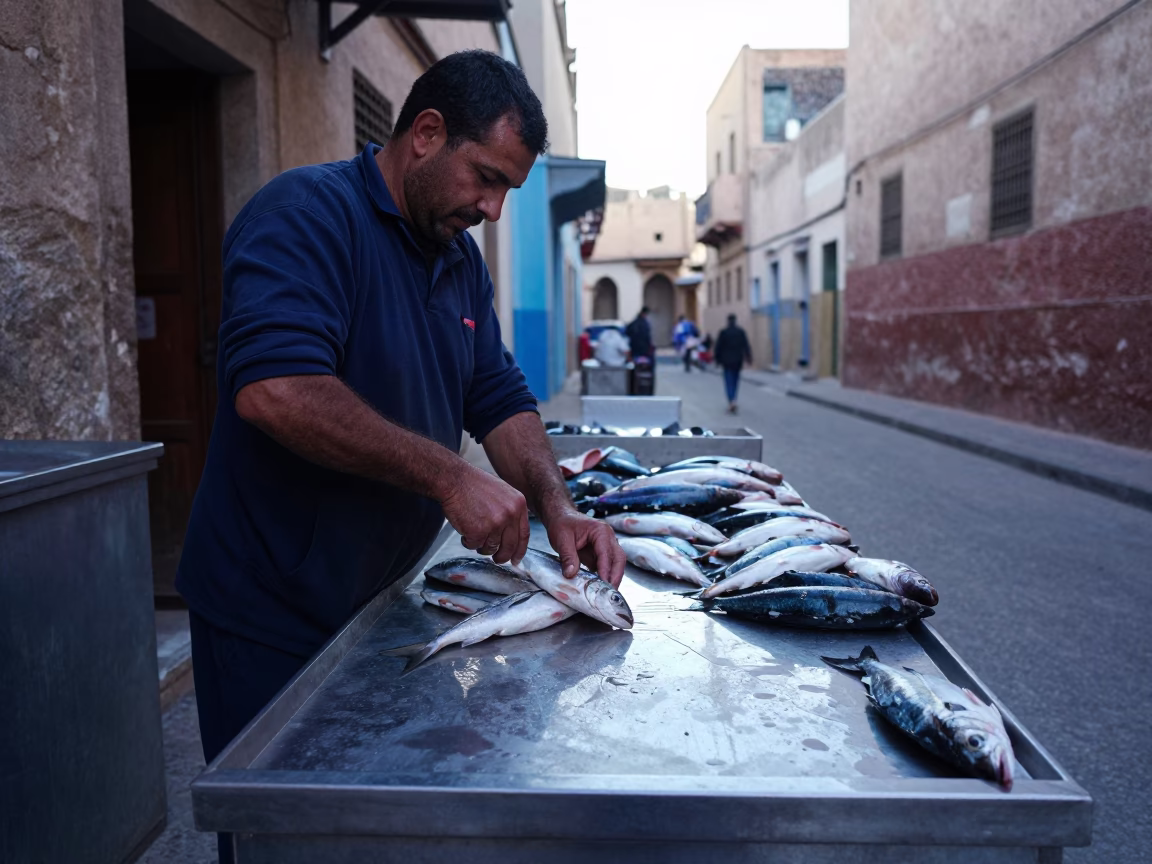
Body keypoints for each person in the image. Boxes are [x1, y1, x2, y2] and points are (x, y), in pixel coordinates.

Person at [175, 50, 626, 863]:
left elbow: (497, 396)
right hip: (270, 611)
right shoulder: (305, 216)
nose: (492, 210)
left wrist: (560, 506)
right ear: (425, 135)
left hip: (379, 603)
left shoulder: (457, 262)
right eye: (485, 177)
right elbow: (274, 388)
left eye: (508, 192)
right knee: (281, 837)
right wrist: (450, 476)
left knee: (366, 830)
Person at [714, 313, 752, 413]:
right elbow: (746, 346)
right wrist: (749, 358)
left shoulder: (723, 332)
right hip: (738, 360)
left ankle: (731, 400)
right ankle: (734, 399)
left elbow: (718, 347)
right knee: (735, 381)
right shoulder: (740, 332)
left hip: (726, 361)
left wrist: (717, 361)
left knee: (728, 381)